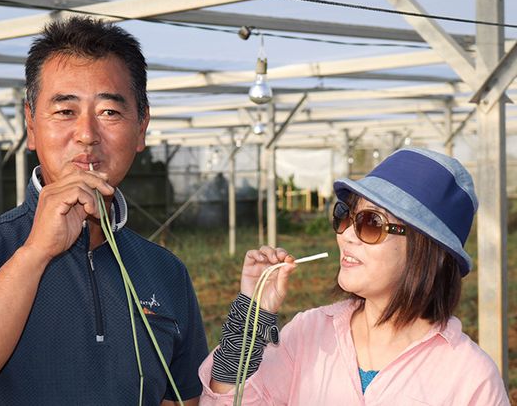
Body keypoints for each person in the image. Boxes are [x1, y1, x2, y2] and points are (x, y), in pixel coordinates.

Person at [0, 16, 208, 405]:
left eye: (110, 112)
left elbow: (183, 398)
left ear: (141, 128)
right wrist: (35, 252)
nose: (86, 133)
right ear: (31, 124)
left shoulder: (165, 272)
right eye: (65, 111)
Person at [198, 147, 510, 405]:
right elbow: (226, 399)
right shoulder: (308, 334)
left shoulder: (471, 379)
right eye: (345, 216)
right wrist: (250, 319)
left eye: (371, 223)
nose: (345, 235)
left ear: (429, 251)